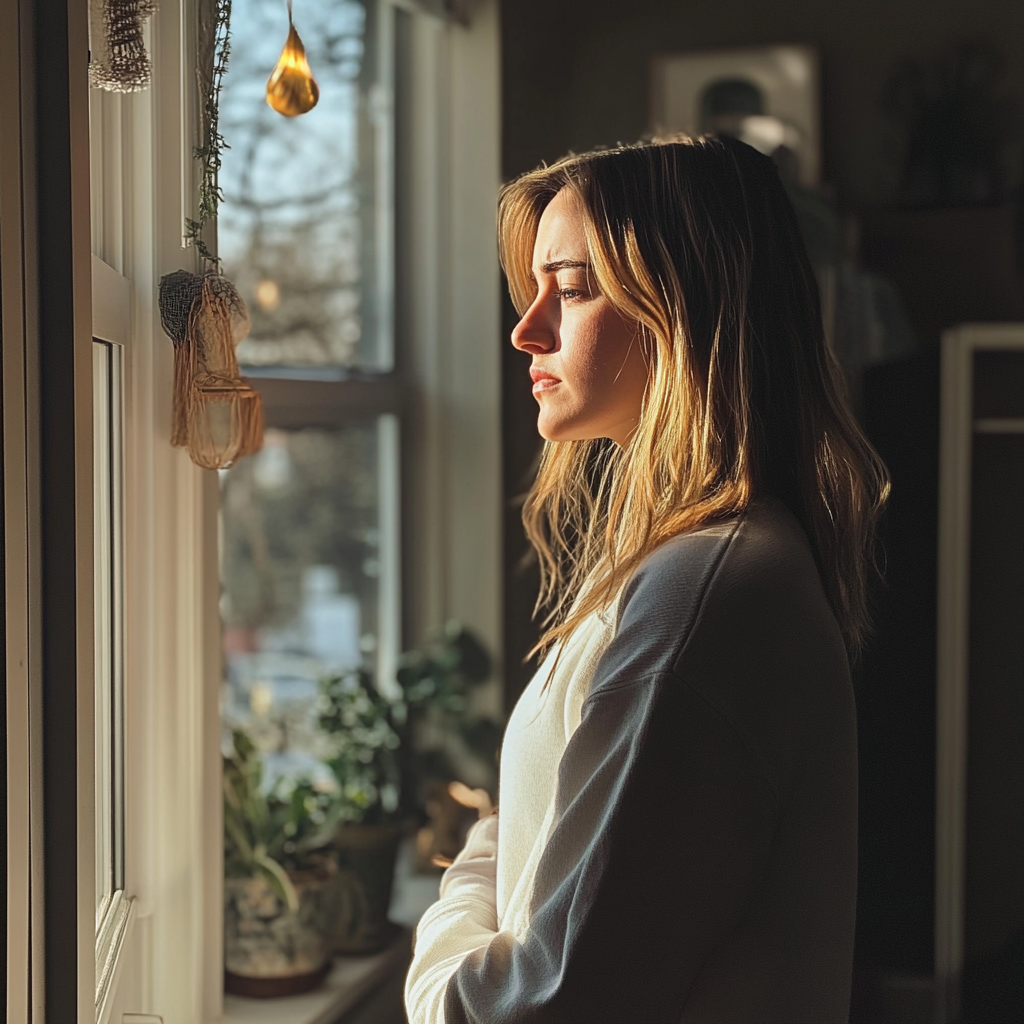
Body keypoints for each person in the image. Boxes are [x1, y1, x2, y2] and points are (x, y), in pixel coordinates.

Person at [404, 134, 889, 1024]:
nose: (527, 327)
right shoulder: (704, 569)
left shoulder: (705, 599)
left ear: (689, 309)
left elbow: (542, 1005)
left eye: (575, 286)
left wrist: (443, 941)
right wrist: (496, 848)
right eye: (535, 287)